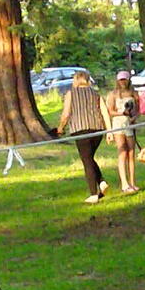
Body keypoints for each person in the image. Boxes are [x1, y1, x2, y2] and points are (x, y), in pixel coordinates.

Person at [58, 71, 111, 203]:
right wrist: (109, 131)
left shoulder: (71, 93)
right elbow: (104, 112)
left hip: (80, 129)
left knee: (86, 160)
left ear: (76, 80)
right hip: (97, 129)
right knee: (89, 158)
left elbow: (66, 113)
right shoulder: (96, 93)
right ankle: (101, 182)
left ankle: (93, 194)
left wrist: (60, 127)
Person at [105, 70, 139, 193]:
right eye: (121, 80)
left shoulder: (134, 93)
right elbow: (110, 111)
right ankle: (124, 183)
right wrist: (122, 113)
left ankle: (133, 182)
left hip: (129, 124)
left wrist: (134, 117)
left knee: (131, 152)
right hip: (118, 124)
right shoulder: (113, 94)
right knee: (122, 151)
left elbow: (137, 109)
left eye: (125, 80)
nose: (123, 82)